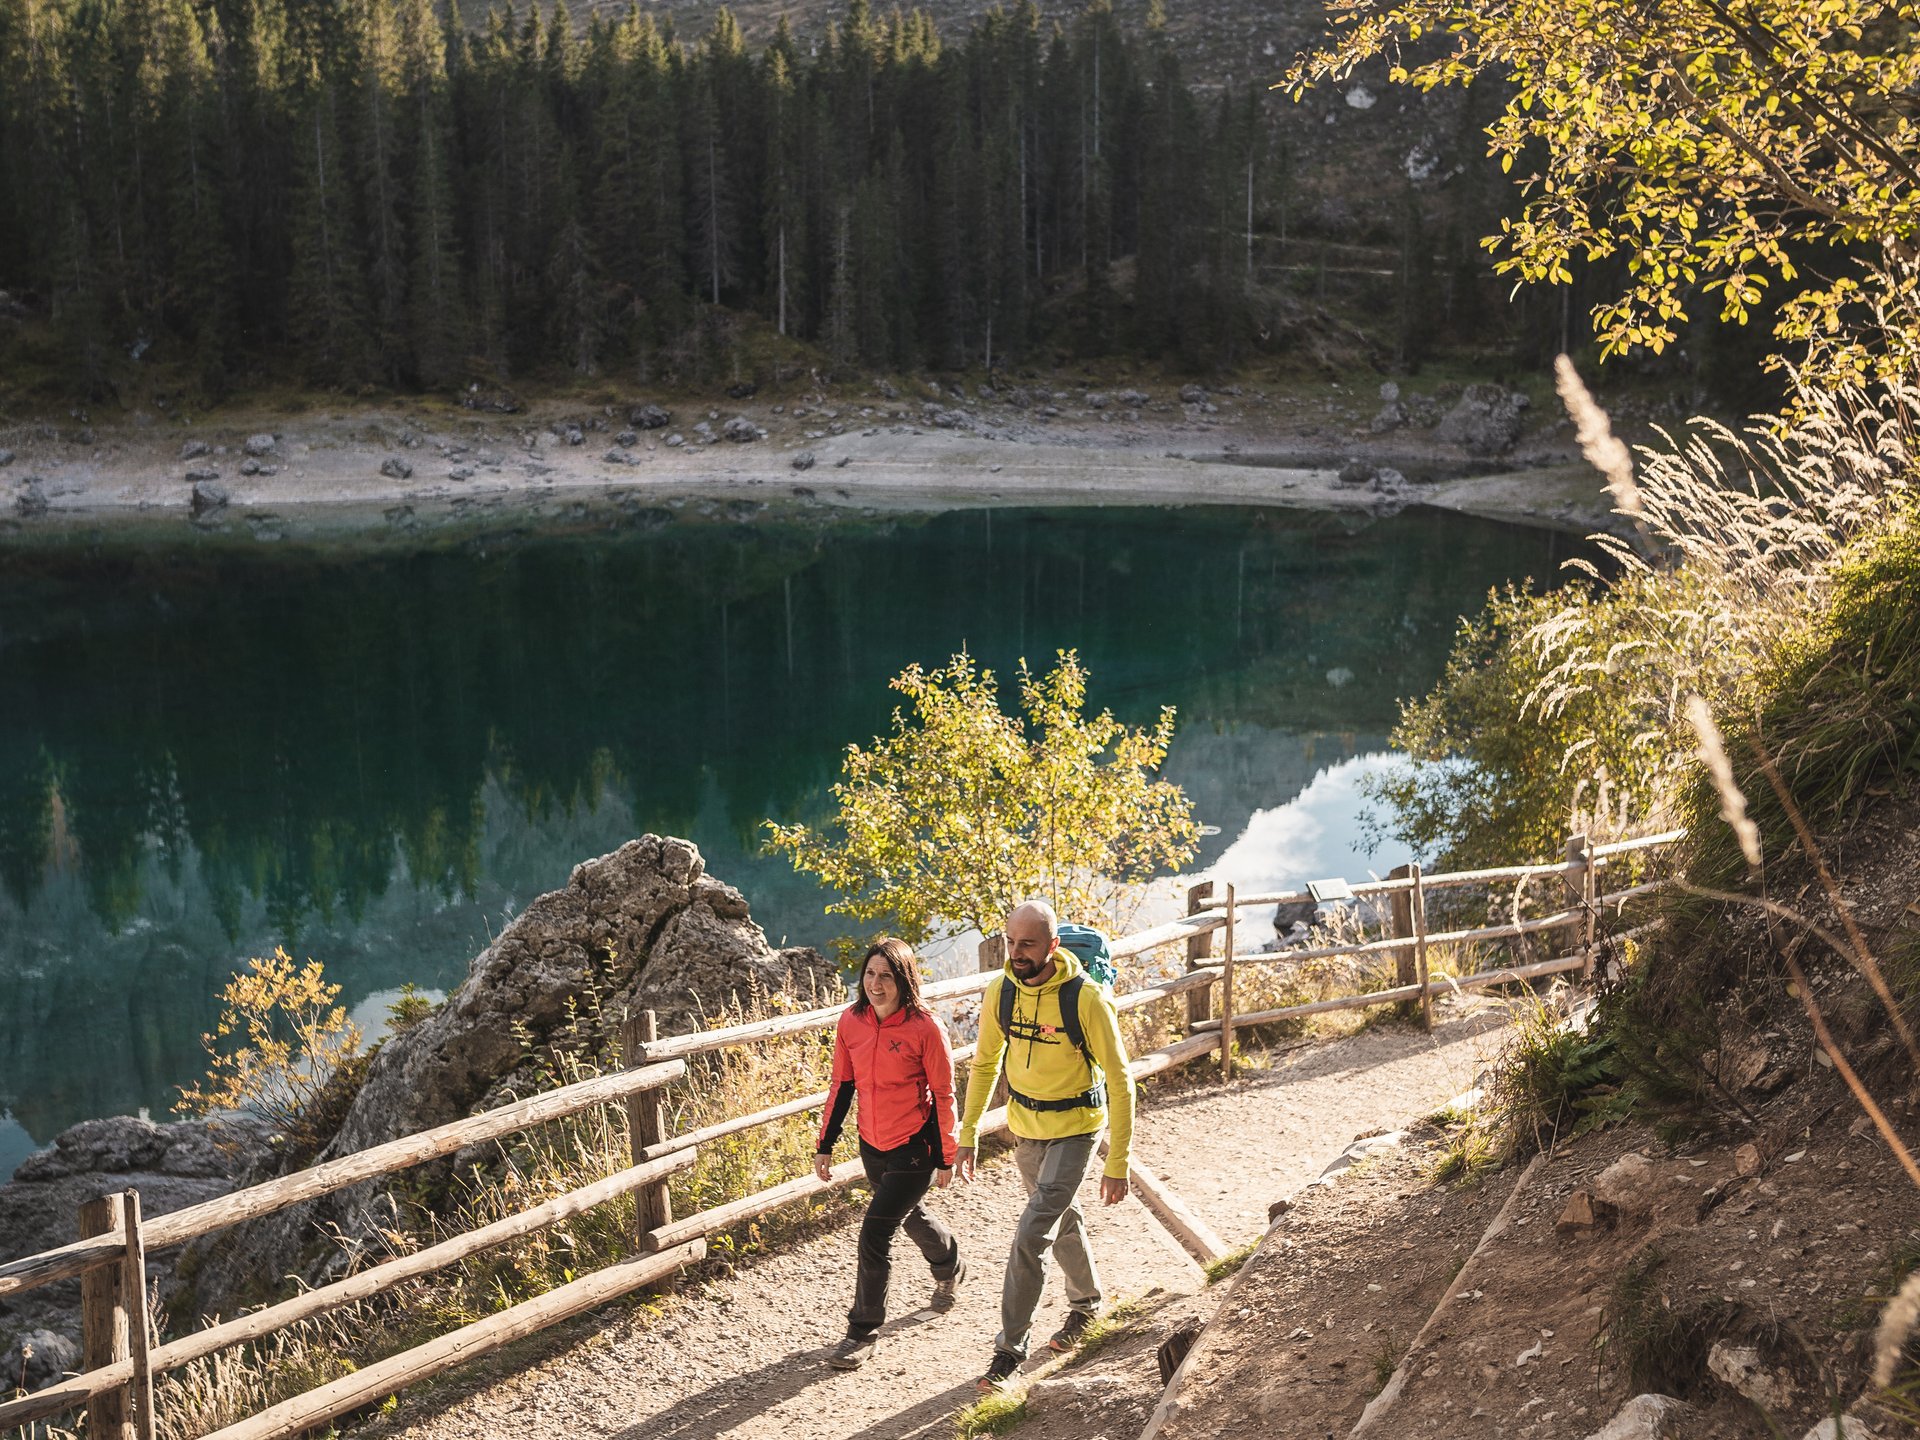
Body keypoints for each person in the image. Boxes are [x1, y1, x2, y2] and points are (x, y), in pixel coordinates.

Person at [955, 900, 1135, 1392]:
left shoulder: (1086, 999)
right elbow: (985, 1063)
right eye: (1011, 942)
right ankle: (1087, 1307)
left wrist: (1115, 1162)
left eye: (1027, 944)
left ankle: (1009, 1351)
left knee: (1032, 1233)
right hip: (1025, 1128)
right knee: (1061, 1216)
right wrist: (968, 1131)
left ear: (1052, 945)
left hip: (1078, 1126)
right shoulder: (1002, 992)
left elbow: (1121, 1081)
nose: (1016, 953)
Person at [814, 937, 966, 1369]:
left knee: (874, 1233)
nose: (876, 984)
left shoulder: (924, 1027)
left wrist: (945, 1154)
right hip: (871, 1145)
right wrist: (825, 1144)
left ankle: (862, 1331)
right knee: (908, 1214)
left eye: (886, 976)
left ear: (904, 979)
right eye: (870, 974)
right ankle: (950, 1263)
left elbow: (943, 1094)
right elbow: (842, 1086)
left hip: (913, 1147)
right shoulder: (851, 1021)